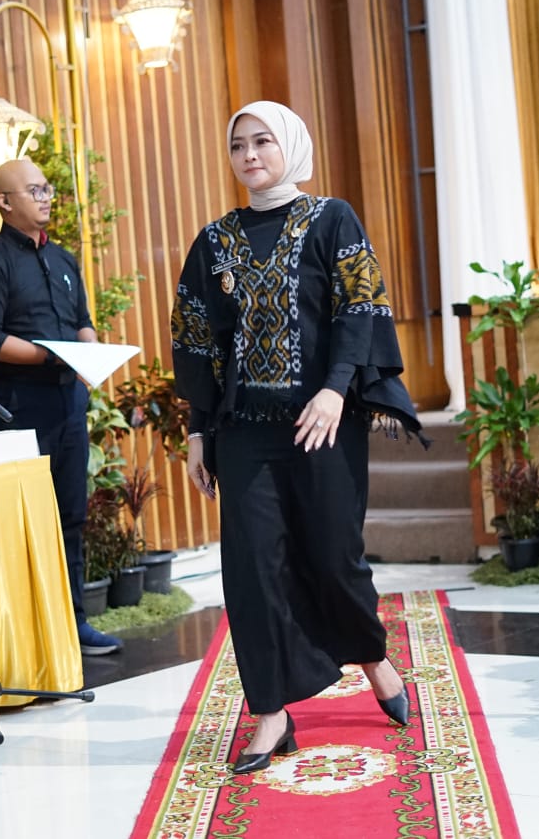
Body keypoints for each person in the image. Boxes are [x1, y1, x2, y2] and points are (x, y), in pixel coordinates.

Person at [170, 100, 428, 774]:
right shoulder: (214, 241)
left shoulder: (332, 219)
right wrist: (198, 431)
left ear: (291, 146)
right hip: (244, 433)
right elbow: (198, 340)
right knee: (252, 573)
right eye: (238, 145)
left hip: (323, 424)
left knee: (335, 558)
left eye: (263, 141)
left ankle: (370, 655)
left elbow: (360, 308)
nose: (250, 155)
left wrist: (336, 389)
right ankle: (271, 714)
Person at [0, 158, 122, 657]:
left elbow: (82, 322)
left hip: (68, 399)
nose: (46, 197)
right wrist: (53, 354)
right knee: (23, 519)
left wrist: (89, 353)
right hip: (17, 403)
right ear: (5, 202)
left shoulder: (64, 259)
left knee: (71, 514)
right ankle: (26, 635)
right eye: (34, 190)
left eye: (47, 188)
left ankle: (74, 623)